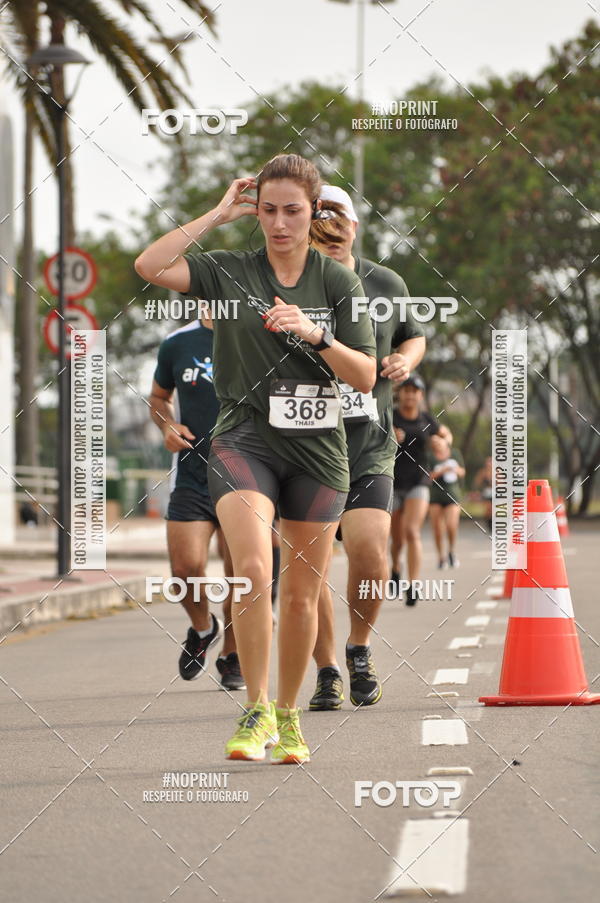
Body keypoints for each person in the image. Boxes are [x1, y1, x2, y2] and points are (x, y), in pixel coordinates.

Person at [135, 154, 377, 764]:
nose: (278, 223)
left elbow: (367, 376)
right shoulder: (228, 271)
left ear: (312, 211)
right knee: (250, 567)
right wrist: (218, 214)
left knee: (302, 594)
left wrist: (316, 334)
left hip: (319, 451)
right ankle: (255, 708)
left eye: (292, 210)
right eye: (267, 210)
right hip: (244, 439)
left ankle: (289, 718)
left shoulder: (336, 283)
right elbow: (150, 264)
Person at [307, 187, 426, 711]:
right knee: (305, 571)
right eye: (319, 223)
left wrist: (405, 360)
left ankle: (358, 648)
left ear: (354, 226)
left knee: (371, 551)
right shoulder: (284, 281)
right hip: (302, 445)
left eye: (340, 222)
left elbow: (413, 335)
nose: (331, 234)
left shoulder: (386, 283)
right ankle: (327, 671)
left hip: (366, 442)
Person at [149, 314, 245, 691]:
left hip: (247, 474)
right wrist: (167, 425)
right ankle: (204, 629)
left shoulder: (255, 334)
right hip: (192, 473)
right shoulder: (177, 343)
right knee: (185, 569)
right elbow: (159, 398)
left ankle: (233, 655)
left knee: (243, 576)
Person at [390, 374, 452, 605]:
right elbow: (374, 437)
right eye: (405, 390)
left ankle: (413, 585)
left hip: (419, 481)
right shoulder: (391, 416)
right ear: (400, 394)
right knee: (396, 541)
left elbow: (446, 434)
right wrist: (390, 437)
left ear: (421, 395)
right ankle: (396, 567)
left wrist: (444, 442)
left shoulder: (427, 419)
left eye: (414, 391)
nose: (409, 394)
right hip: (393, 483)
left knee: (412, 532)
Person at [428, 436, 466, 568]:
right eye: (433, 442)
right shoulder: (430, 456)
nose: (436, 443)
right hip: (435, 496)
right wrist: (441, 471)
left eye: (438, 440)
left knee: (451, 525)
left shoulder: (455, 453)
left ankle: (451, 551)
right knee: (437, 529)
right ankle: (441, 557)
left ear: (446, 441)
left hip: (452, 495)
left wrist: (454, 469)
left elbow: (462, 471)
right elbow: (428, 476)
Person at [474, 456, 493, 532]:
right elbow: (477, 483)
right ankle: (489, 523)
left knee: (493, 510)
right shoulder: (482, 472)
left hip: (495, 494)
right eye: (488, 462)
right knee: (488, 510)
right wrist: (477, 492)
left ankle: (492, 524)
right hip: (486, 493)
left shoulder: (498, 473)